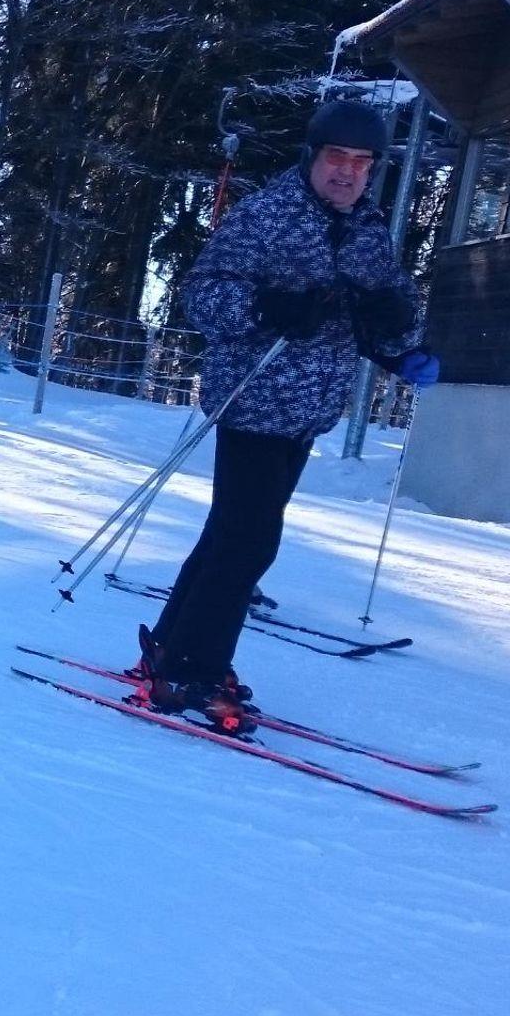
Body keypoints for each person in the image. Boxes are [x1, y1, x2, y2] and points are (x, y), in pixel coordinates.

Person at [141, 101, 438, 726]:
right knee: (249, 543)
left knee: (231, 535)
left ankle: (170, 647)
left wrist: (401, 346)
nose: (348, 172)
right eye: (337, 157)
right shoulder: (267, 214)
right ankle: (190, 672)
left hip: (308, 408)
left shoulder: (368, 228)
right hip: (253, 397)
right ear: (313, 156)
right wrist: (266, 308)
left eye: (362, 162)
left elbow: (381, 312)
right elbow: (201, 294)